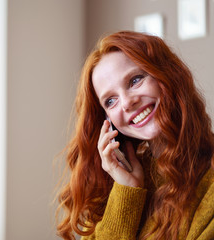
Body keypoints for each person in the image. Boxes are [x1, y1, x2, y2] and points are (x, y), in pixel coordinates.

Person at [56, 31, 214, 240]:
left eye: (135, 80)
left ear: (167, 76)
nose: (127, 102)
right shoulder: (121, 182)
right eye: (110, 101)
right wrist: (126, 191)